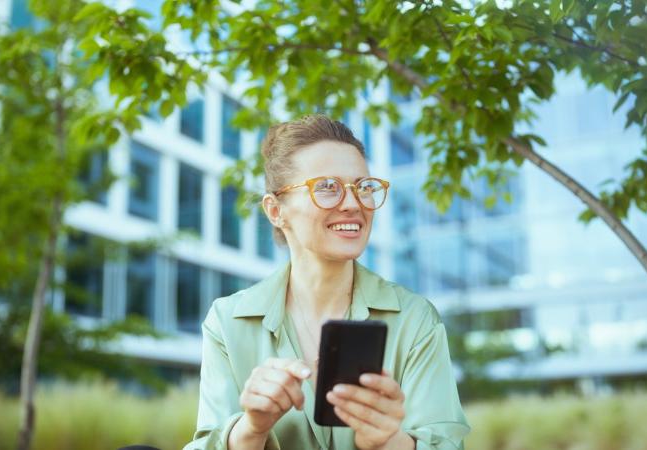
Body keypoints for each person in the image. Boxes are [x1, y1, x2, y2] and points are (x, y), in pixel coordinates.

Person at [184, 115, 470, 450]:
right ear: (276, 210)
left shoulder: (415, 319)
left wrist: (389, 441)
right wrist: (251, 428)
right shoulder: (227, 320)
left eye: (363, 187)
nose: (353, 204)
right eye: (327, 187)